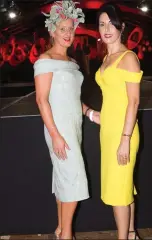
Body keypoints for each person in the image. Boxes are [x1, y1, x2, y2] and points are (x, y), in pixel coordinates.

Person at [33, 1, 99, 239]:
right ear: (52, 30)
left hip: (73, 129)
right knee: (73, 179)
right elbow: (42, 100)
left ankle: (61, 228)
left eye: (71, 29)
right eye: (63, 29)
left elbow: (73, 100)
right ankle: (66, 234)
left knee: (64, 178)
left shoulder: (72, 63)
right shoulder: (44, 61)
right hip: (58, 130)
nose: (68, 34)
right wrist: (55, 135)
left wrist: (91, 113)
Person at [87, 3, 143, 239]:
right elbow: (112, 101)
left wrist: (125, 139)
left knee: (119, 192)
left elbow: (133, 102)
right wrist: (89, 113)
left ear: (121, 26)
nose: (106, 28)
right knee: (124, 187)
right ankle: (130, 234)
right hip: (109, 133)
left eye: (111, 23)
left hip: (124, 133)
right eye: (102, 24)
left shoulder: (128, 57)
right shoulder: (106, 59)